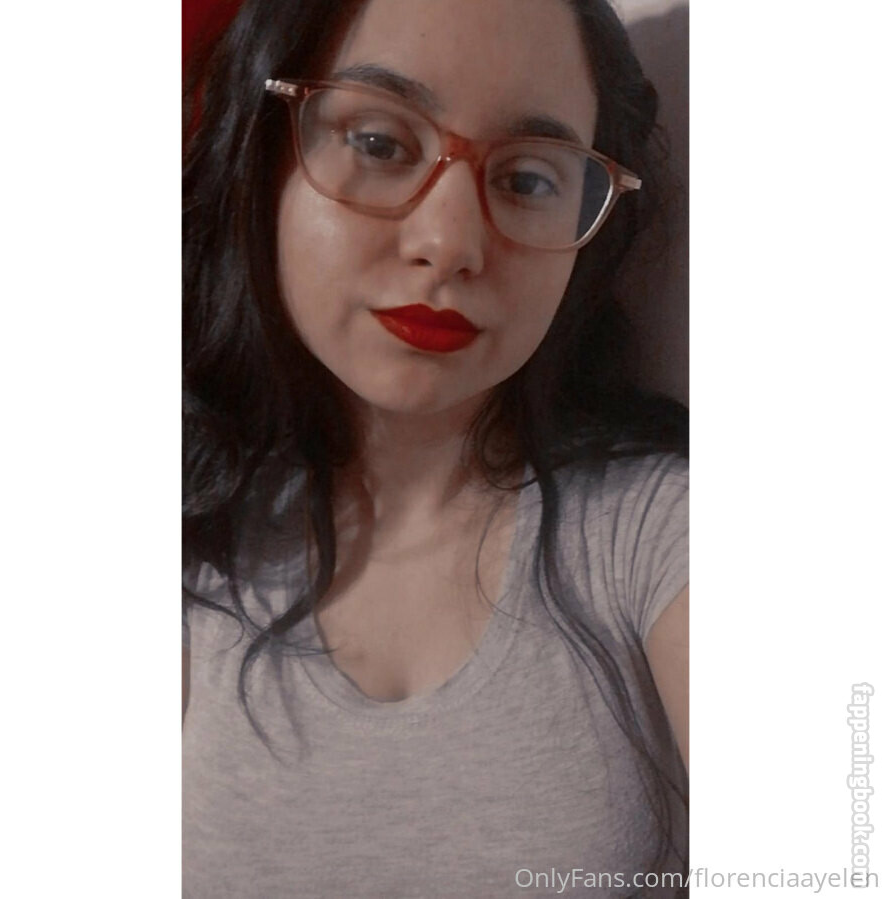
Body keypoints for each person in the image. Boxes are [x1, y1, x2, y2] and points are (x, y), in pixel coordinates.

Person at [182, 0, 689, 896]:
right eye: (380, 143)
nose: (450, 244)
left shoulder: (657, 533)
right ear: (263, 156)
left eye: (526, 179)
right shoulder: (185, 531)